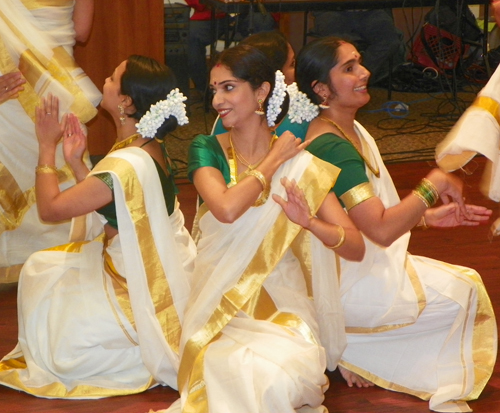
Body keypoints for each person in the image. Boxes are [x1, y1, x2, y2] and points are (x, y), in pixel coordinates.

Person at [295, 36, 497, 412]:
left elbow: (373, 219)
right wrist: (431, 185)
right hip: (345, 282)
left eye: (360, 62)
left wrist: (427, 218)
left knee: (464, 289)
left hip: (358, 265)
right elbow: (381, 230)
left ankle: (352, 348)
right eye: (349, 68)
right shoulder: (331, 145)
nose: (365, 72)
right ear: (321, 88)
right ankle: (347, 345)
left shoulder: (348, 131)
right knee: (464, 292)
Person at [163, 43, 365, 413]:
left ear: (260, 92)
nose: (217, 101)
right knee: (233, 371)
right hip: (219, 304)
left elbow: (355, 246)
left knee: (280, 376)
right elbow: (225, 209)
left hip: (282, 306)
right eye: (213, 90)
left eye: (229, 87)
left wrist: (311, 223)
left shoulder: (301, 166)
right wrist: (272, 161)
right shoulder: (206, 149)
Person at [0, 55, 196, 398]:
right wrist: (77, 163)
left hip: (131, 283)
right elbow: (113, 204)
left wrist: (47, 146)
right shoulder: (147, 146)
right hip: (147, 268)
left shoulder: (124, 162)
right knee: (43, 268)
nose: (103, 81)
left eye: (111, 78)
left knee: (55, 325)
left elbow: (50, 209)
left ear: (125, 101)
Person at [0, 0, 102, 283]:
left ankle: (8, 261)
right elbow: (81, 31)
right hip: (54, 81)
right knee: (64, 157)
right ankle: (65, 253)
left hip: (8, 86)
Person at [212, 30, 313, 140]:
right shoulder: (298, 120)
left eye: (228, 87)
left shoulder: (299, 113)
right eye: (292, 64)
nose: (216, 102)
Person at [186, 0, 277, 99]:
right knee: (190, 35)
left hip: (251, 11)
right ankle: (207, 90)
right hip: (215, 13)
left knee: (263, 22)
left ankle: (259, 88)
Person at [312, 9, 406, 85]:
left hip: (369, 11)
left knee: (389, 40)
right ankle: (337, 82)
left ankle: (359, 78)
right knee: (336, 44)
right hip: (333, 10)